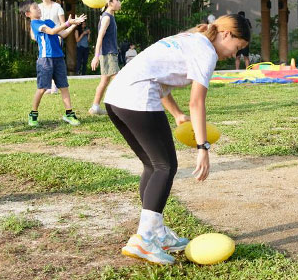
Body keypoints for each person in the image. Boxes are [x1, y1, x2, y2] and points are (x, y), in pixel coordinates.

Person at [103, 14, 250, 265]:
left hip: (116, 98)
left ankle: (155, 232)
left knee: (153, 165)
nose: (233, 55)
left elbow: (158, 78)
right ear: (227, 35)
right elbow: (197, 101)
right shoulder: (207, 52)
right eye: (237, 48)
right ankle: (145, 239)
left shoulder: (190, 39)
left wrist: (177, 115)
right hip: (137, 97)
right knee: (165, 166)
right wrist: (202, 147)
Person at [20, 0, 86, 127]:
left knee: (64, 87)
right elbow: (51, 32)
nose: (38, 9)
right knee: (42, 88)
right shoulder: (35, 24)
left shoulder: (49, 22)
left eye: (38, 7)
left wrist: (74, 25)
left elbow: (63, 33)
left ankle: (69, 114)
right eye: (35, 8)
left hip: (59, 58)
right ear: (28, 14)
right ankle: (33, 114)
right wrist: (67, 22)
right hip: (45, 60)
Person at [89, 0, 120, 116]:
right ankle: (118, 107)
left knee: (104, 82)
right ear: (109, 3)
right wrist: (96, 56)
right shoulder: (106, 17)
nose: (119, 2)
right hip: (107, 54)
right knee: (119, 80)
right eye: (117, 0)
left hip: (109, 53)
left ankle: (95, 107)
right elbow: (99, 38)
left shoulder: (109, 16)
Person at [36, 0, 65, 93]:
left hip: (56, 38)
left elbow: (63, 24)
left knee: (54, 59)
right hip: (43, 39)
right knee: (45, 60)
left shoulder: (57, 7)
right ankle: (47, 85)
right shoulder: (38, 7)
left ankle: (54, 85)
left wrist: (62, 33)